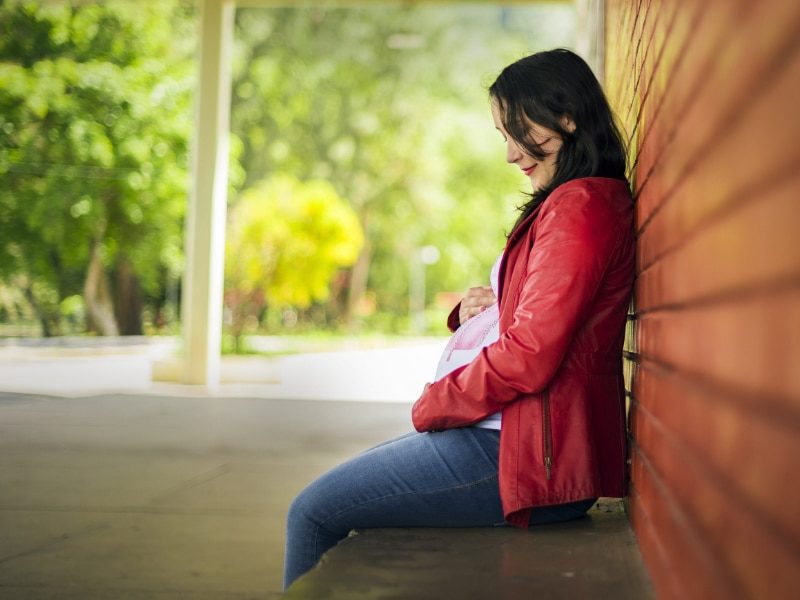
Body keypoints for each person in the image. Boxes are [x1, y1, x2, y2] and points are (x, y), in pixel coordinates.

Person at [283, 48, 634, 590]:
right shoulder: (574, 201)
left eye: (520, 131)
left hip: (518, 457)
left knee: (311, 511)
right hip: (511, 440)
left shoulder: (580, 206)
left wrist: (437, 402)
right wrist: (484, 307)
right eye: (504, 136)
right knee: (331, 496)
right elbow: (545, 315)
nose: (512, 153)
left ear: (568, 116)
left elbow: (531, 353)